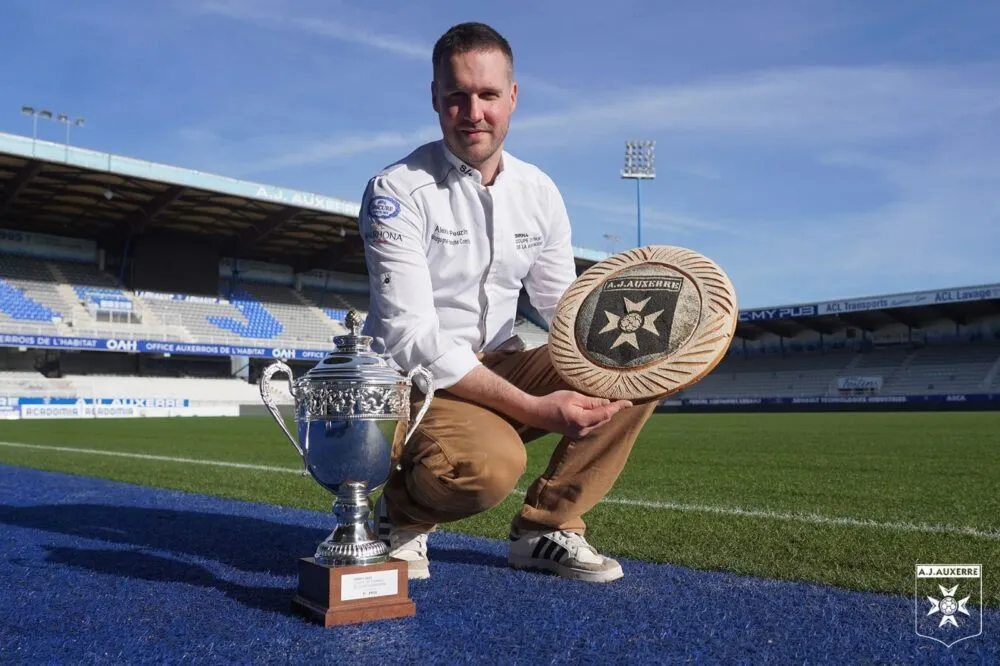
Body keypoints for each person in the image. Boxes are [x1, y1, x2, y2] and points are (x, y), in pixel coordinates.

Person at [358, 21, 659, 584]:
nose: (473, 111)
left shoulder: (539, 190)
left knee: (637, 362)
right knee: (491, 468)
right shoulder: (396, 190)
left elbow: (560, 305)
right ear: (435, 98)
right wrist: (534, 408)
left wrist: (637, 330)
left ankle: (548, 527)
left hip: (502, 358)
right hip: (423, 384)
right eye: (457, 96)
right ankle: (401, 517)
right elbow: (411, 339)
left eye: (489, 95)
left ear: (513, 98)